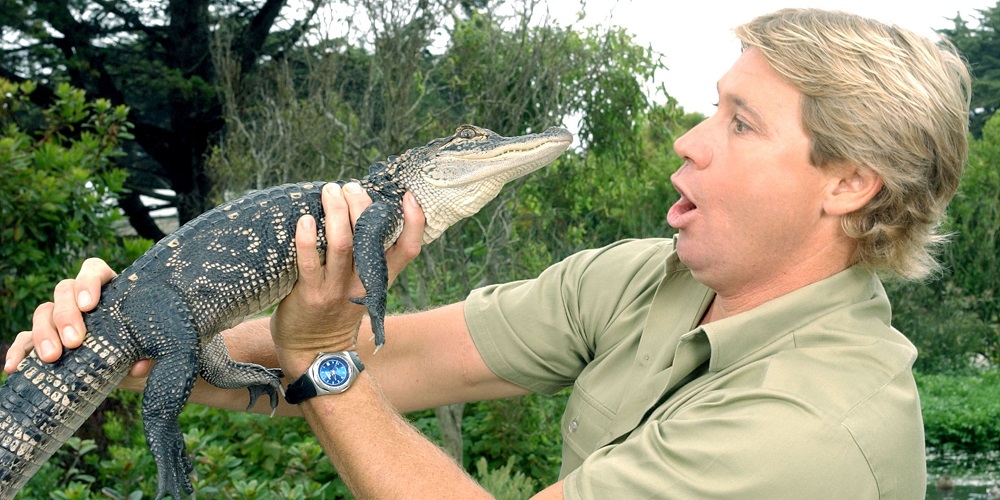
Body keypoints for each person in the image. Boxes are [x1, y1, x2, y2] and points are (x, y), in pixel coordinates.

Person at [8, 8, 971, 498]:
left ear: (849, 184)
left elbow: (337, 364)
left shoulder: (813, 428)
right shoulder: (649, 279)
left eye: (741, 121)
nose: (689, 137)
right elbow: (409, 357)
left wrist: (320, 357)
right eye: (711, 104)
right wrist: (112, 353)